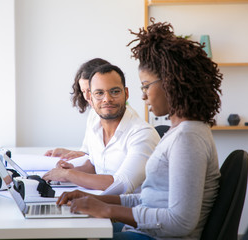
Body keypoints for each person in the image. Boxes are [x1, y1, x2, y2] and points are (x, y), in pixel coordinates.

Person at [56, 19, 223, 240]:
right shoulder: (178, 132)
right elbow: (149, 199)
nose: (143, 95)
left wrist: (108, 210)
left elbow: (181, 222)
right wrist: (94, 199)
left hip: (156, 237)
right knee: (70, 229)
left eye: (146, 86)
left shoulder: (188, 138)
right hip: (143, 232)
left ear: (171, 83)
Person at [43, 64, 160, 194]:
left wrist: (70, 175)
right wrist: (73, 169)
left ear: (126, 94)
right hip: (99, 204)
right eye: (99, 93)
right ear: (90, 98)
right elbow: (96, 165)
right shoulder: (95, 127)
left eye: (115, 92)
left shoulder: (142, 134)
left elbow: (122, 184)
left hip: (128, 210)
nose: (107, 99)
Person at [44, 58, 109, 160]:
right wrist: (68, 153)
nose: (87, 96)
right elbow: (88, 153)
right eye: (83, 91)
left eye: (90, 90)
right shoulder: (93, 114)